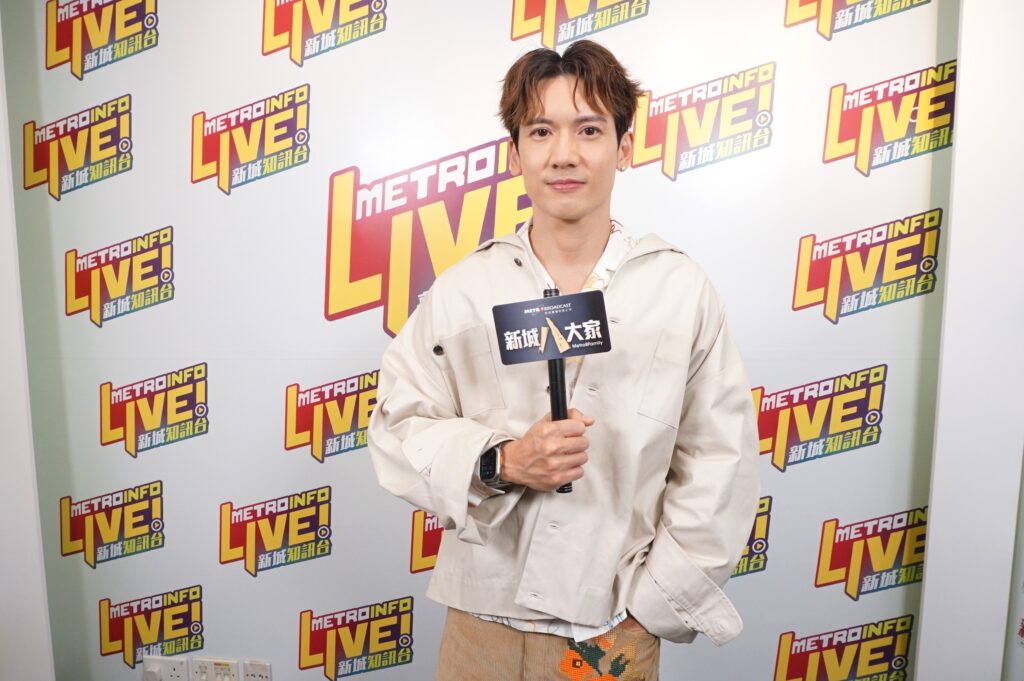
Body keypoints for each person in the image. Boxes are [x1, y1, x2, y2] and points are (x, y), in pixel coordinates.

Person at [367, 40, 760, 680]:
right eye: (541, 131)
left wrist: (649, 613)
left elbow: (721, 461)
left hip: (612, 634)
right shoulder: (465, 290)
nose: (564, 154)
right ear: (515, 152)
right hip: (480, 631)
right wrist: (502, 461)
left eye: (589, 130)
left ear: (624, 147)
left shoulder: (679, 290)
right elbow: (397, 426)